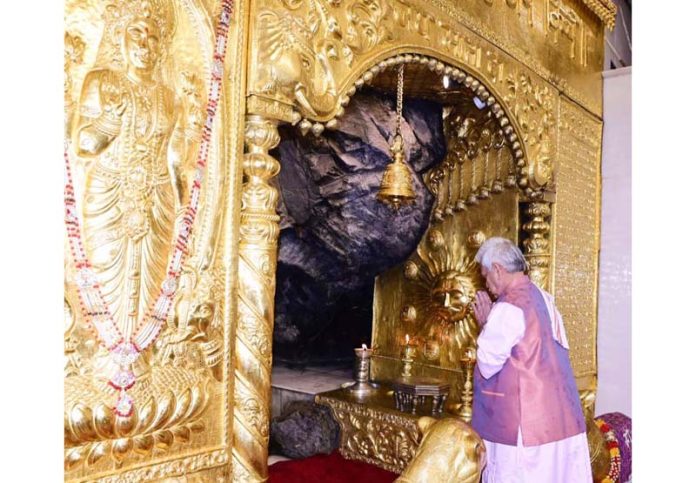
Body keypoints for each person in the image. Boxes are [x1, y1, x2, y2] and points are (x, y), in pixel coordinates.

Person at [471, 237, 591, 483]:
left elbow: (487, 364)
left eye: (485, 275)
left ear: (497, 269)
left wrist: (485, 325)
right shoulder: (546, 299)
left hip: (523, 430)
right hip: (559, 422)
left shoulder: (507, 308)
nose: (487, 283)